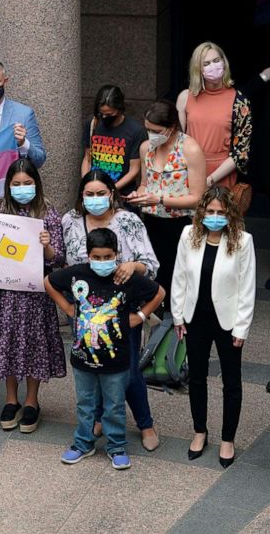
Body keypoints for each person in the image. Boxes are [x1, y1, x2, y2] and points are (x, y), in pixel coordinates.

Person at [46, 228, 164, 471]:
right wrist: (68, 309)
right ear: (88, 255)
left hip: (117, 360)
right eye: (97, 257)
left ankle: (116, 446)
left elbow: (159, 292)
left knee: (114, 405)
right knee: (85, 403)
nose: (102, 262)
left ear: (116, 254)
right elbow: (48, 282)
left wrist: (139, 316)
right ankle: (83, 443)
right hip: (83, 357)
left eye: (108, 257)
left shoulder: (125, 277)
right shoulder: (77, 274)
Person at [61, 170, 161, 450]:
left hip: (121, 313)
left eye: (101, 193)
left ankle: (145, 423)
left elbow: (151, 265)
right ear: (82, 196)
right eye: (89, 194)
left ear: (112, 193)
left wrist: (133, 266)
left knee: (126, 371)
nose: (95, 199)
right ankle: (97, 419)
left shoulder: (128, 221)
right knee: (91, 369)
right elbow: (60, 260)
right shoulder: (70, 221)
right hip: (85, 314)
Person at [171, 186, 255, 468]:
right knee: (196, 377)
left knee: (231, 382)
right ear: (202, 212)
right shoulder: (189, 235)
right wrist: (178, 316)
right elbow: (179, 277)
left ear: (229, 214)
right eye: (210, 212)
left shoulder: (243, 241)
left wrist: (241, 328)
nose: (215, 217)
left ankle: (228, 438)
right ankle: (199, 430)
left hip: (228, 322)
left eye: (221, 212)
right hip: (196, 317)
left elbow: (247, 288)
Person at [0, 159, 66, 434]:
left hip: (36, 293)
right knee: (8, 342)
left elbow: (59, 259)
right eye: (16, 184)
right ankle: (11, 399)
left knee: (35, 344)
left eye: (27, 183)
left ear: (37, 183)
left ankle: (32, 401)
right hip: (7, 293)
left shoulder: (48, 213)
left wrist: (46, 248)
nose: (22, 188)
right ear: (8, 186)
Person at [127, 100, 205, 309]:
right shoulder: (146, 148)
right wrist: (139, 194)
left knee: (178, 277)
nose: (151, 135)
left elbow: (198, 197)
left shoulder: (189, 148)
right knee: (154, 276)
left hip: (180, 223)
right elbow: (145, 183)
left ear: (171, 128)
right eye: (147, 130)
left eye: (156, 130)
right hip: (152, 221)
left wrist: (160, 199)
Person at [176, 42, 252, 190]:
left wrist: (209, 180)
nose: (213, 66)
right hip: (188, 171)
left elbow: (241, 153)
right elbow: (177, 142)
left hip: (221, 174)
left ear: (224, 62)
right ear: (198, 69)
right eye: (206, 63)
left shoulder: (240, 102)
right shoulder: (185, 97)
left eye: (216, 60)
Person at [80, 85, 147, 195]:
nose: (104, 117)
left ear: (120, 109)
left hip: (122, 193)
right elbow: (87, 158)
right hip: (94, 191)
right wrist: (86, 184)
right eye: (101, 114)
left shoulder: (136, 130)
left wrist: (111, 189)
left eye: (109, 114)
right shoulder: (92, 123)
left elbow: (134, 170)